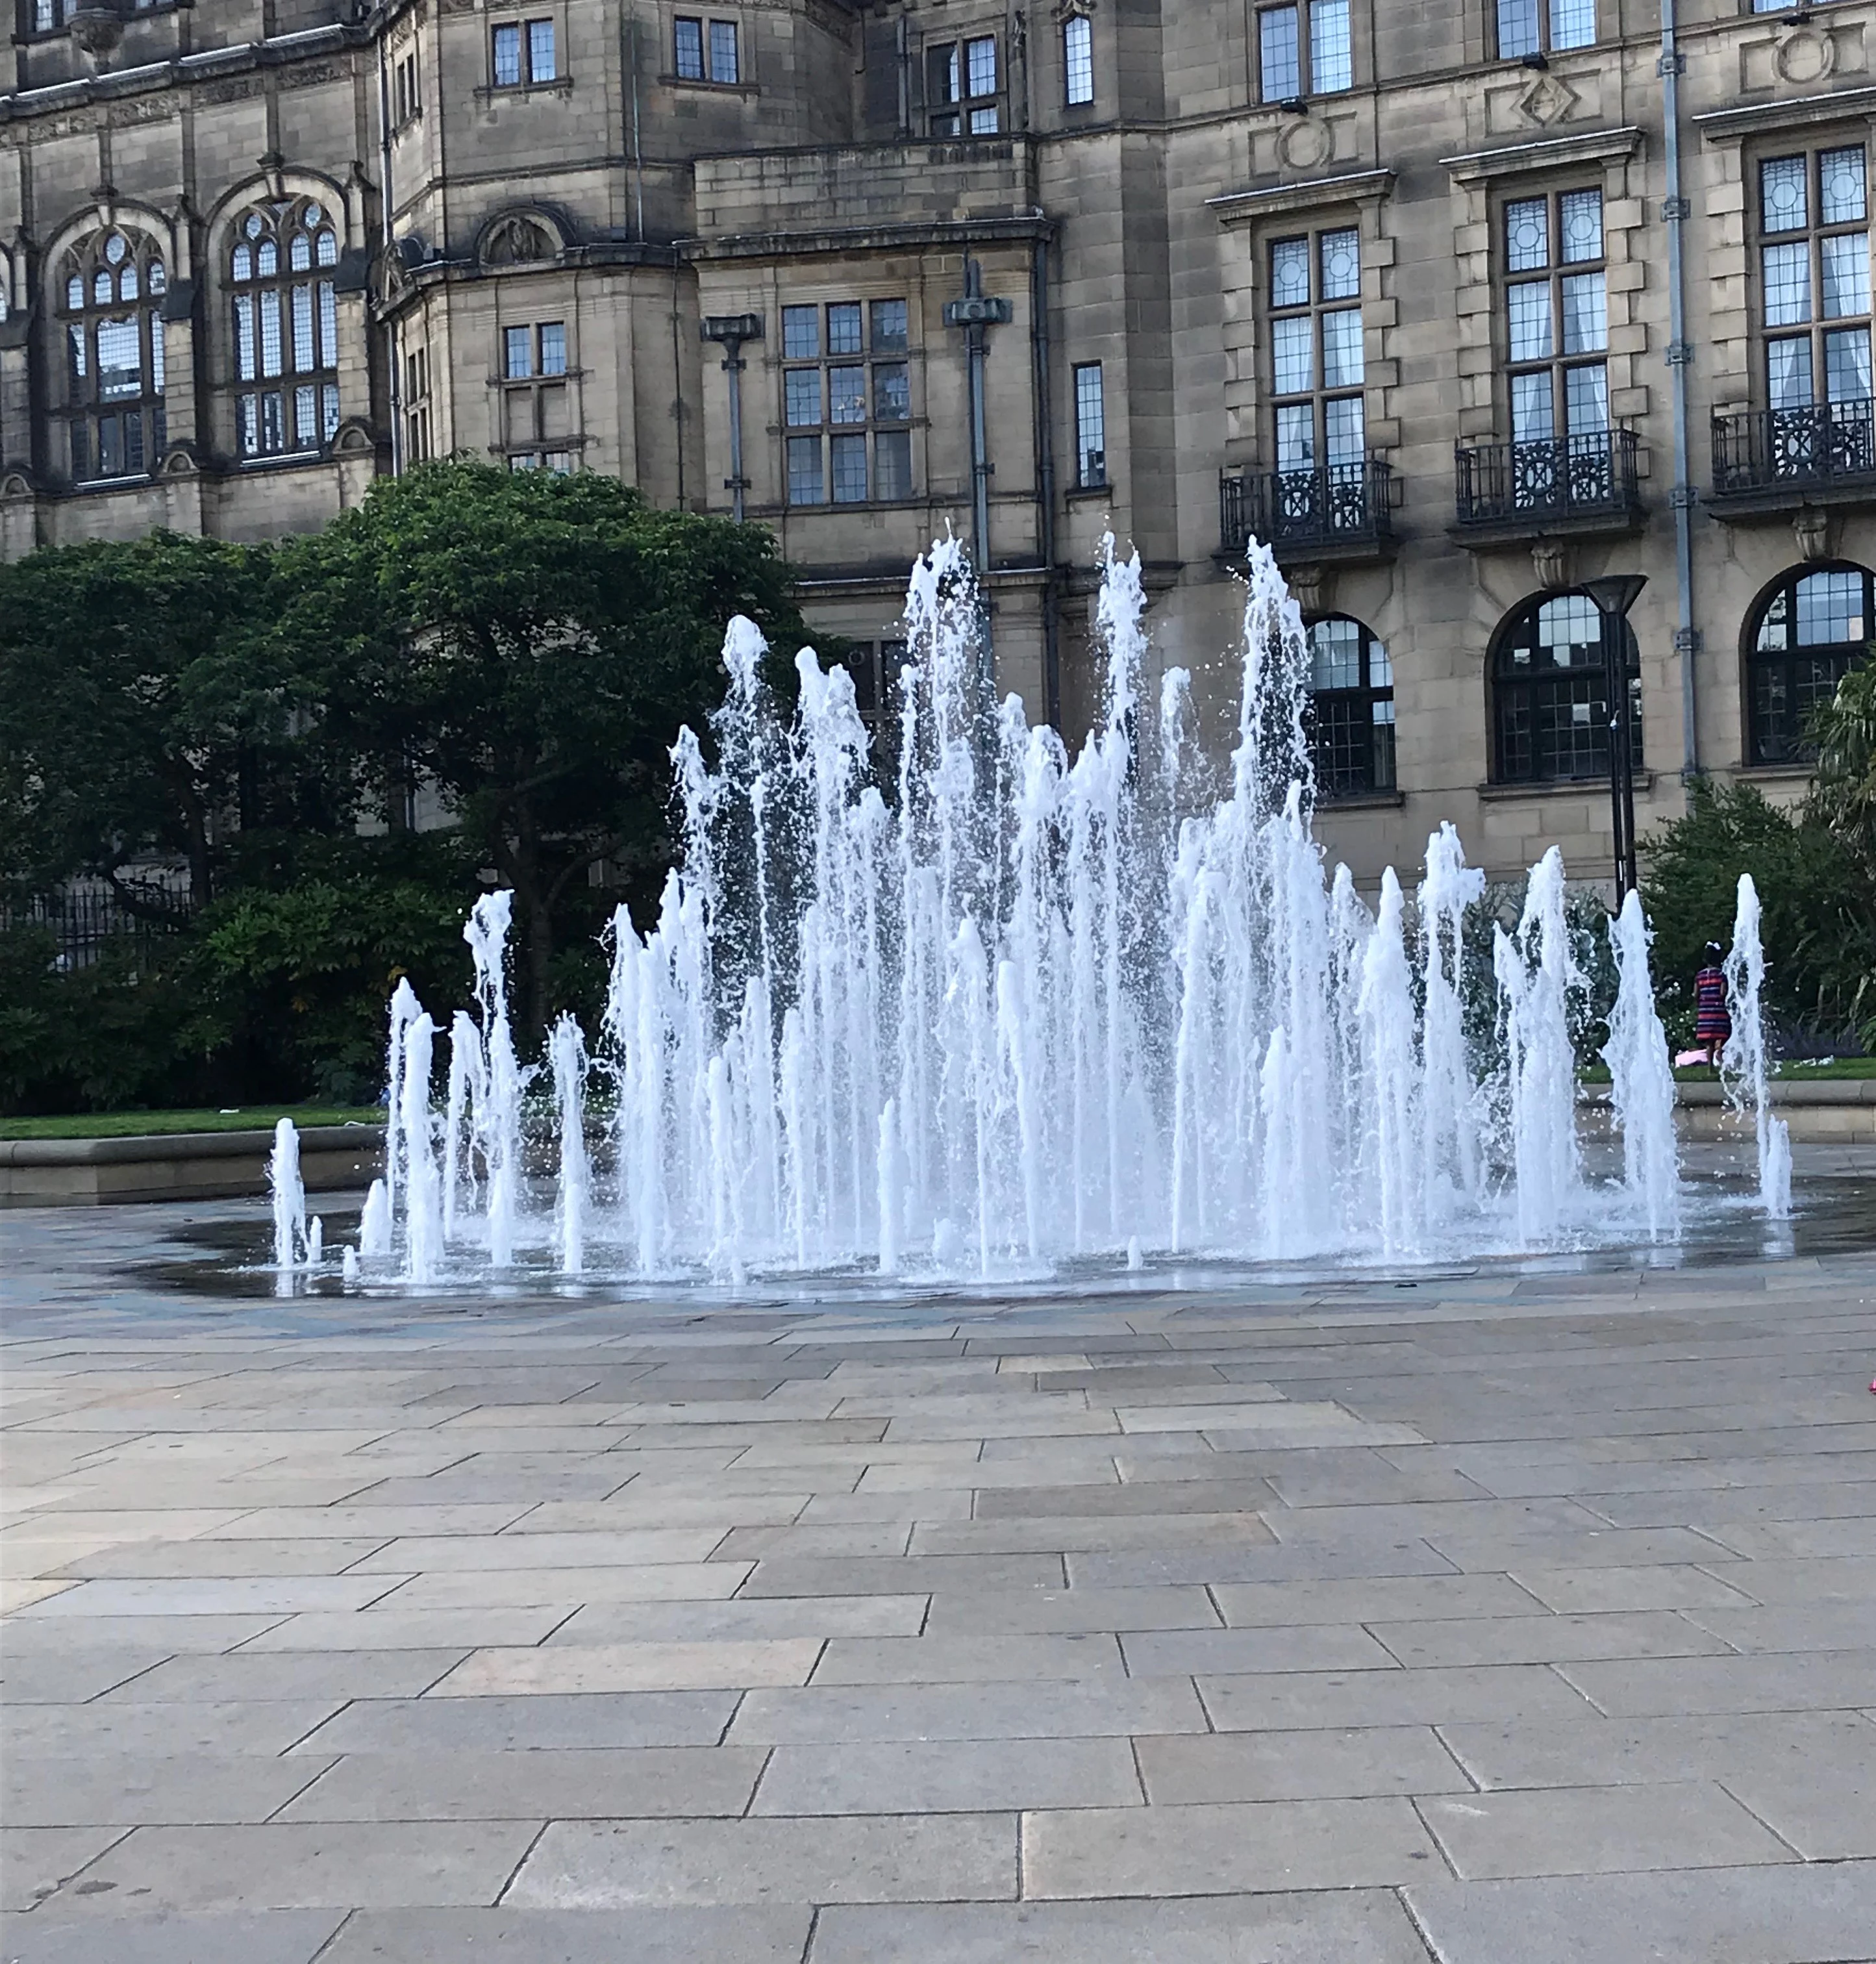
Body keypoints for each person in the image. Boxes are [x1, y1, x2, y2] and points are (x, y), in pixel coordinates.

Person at [1692, 941, 1731, 1066]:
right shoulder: (1721, 975)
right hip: (1718, 1010)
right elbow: (1723, 992)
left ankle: (1710, 1067)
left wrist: (1700, 1003)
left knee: (1709, 1042)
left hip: (1705, 1011)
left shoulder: (1700, 975)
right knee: (1723, 1034)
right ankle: (1719, 1052)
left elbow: (1696, 994)